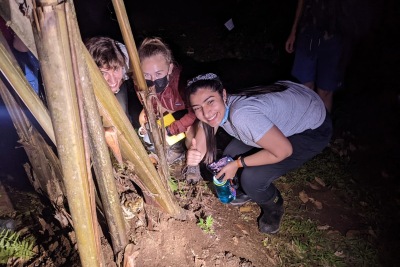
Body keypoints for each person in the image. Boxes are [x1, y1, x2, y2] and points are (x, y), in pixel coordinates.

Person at [185, 73, 332, 234]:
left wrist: (238, 164)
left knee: (252, 178)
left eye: (210, 101)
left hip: (312, 129)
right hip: (297, 102)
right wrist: (193, 155)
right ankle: (247, 191)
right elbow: (200, 141)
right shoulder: (217, 110)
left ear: (224, 94)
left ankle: (274, 206)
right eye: (197, 108)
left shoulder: (242, 116)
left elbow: (283, 150)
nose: (206, 113)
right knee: (231, 153)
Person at [137, 37, 206, 182]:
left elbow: (195, 112)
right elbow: (150, 107)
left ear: (170, 68)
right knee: (143, 119)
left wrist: (173, 129)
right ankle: (174, 150)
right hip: (171, 111)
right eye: (147, 75)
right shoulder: (141, 83)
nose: (153, 80)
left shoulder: (184, 83)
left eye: (158, 74)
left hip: (190, 113)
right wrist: (148, 117)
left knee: (197, 130)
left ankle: (194, 160)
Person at [285, 0, 344, 112]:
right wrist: (294, 31)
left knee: (325, 91)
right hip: (308, 32)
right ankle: (303, 126)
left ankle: (323, 128)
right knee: (303, 87)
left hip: (335, 34)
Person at [85, 36, 141, 128]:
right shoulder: (84, 77)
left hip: (123, 82)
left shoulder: (128, 59)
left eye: (115, 69)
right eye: (103, 73)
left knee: (121, 112)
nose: (113, 80)